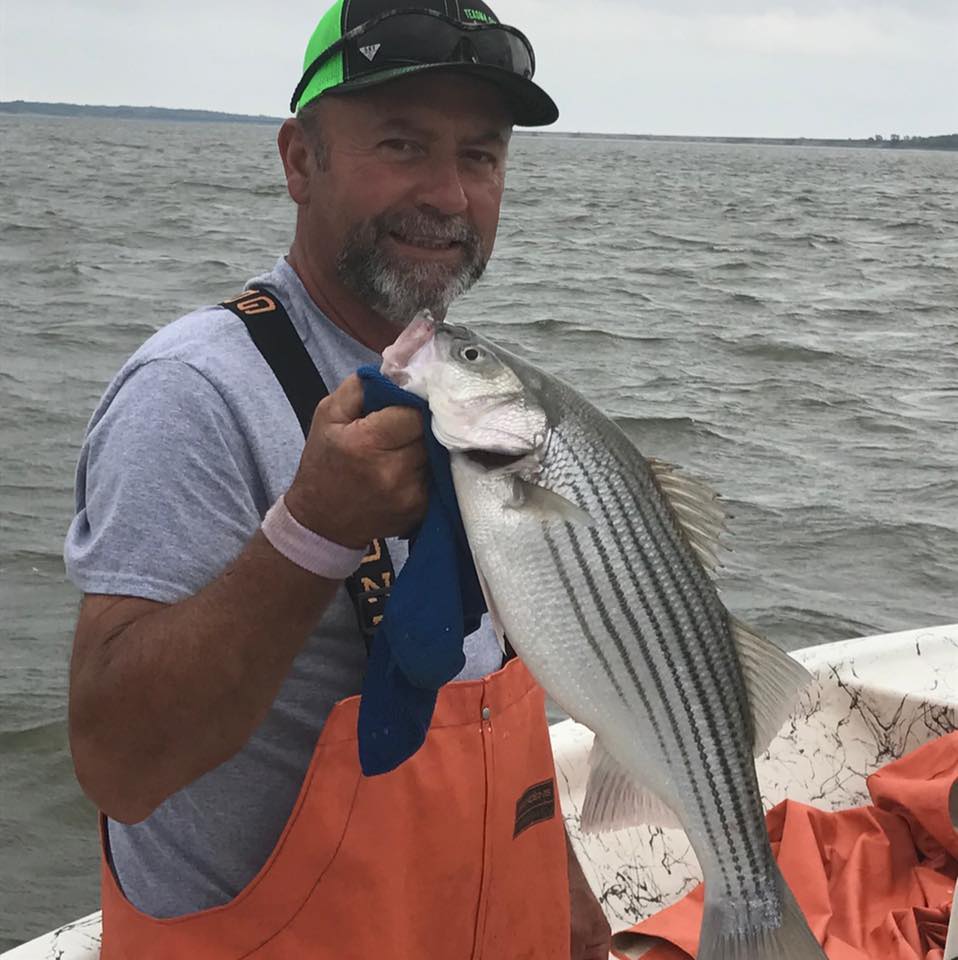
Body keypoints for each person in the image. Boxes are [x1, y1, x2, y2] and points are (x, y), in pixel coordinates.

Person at [64, 1, 612, 957]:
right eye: (401, 144)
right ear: (299, 160)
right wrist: (309, 530)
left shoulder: (477, 394)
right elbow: (118, 764)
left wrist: (557, 883)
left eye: (480, 156)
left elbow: (488, 680)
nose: (448, 193)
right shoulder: (194, 391)